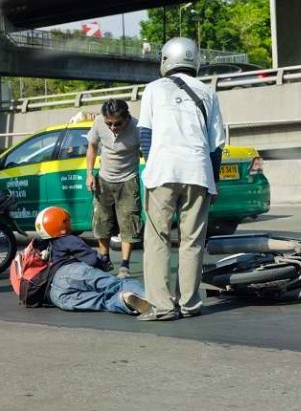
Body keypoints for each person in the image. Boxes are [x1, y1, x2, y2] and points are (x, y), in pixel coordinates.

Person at [137, 37, 225, 321]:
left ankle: (162, 306)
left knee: (158, 239)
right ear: (193, 60)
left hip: (162, 172)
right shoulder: (209, 93)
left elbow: (145, 135)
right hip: (198, 172)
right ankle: (188, 304)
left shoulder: (153, 89)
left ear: (165, 59)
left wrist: (153, 163)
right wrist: (215, 180)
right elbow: (216, 145)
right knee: (192, 241)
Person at [35, 207, 151, 315]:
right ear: (60, 224)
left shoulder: (41, 246)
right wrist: (102, 264)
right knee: (117, 284)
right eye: (67, 221)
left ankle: (124, 299)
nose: (69, 224)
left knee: (102, 301)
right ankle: (154, 300)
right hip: (71, 272)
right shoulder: (68, 239)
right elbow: (92, 260)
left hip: (56, 294)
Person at [85, 98, 142, 279]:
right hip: (104, 179)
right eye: (109, 123)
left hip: (128, 180)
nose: (113, 127)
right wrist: (89, 174)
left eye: (118, 123)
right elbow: (92, 147)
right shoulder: (99, 123)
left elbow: (149, 152)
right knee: (101, 221)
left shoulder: (138, 128)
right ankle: (104, 258)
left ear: (127, 118)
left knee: (129, 221)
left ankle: (125, 265)